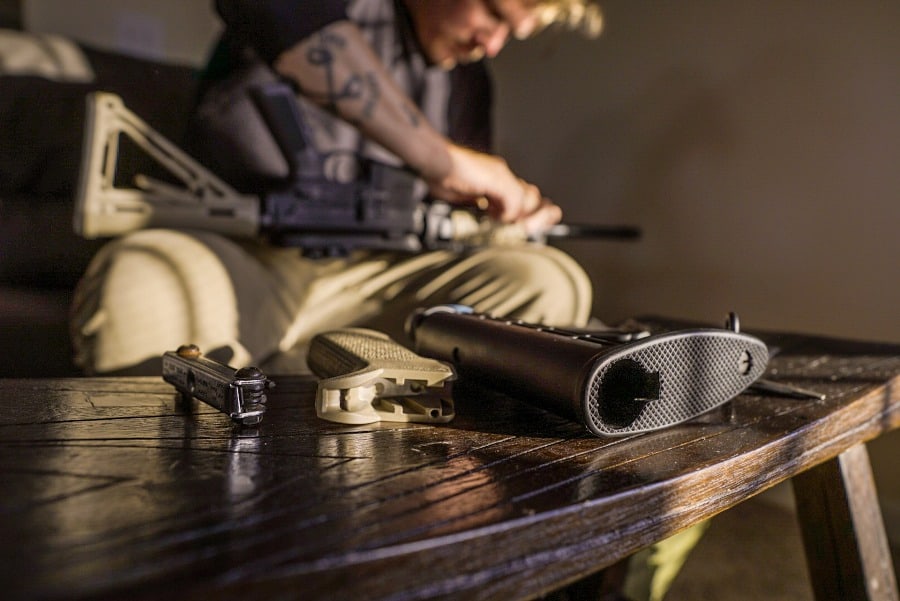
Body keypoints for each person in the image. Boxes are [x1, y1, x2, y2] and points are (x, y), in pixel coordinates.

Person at [71, 0, 600, 375]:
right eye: (491, 11)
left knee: (549, 282)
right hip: (242, 254)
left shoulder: (468, 81)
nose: (491, 43)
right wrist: (440, 158)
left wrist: (501, 226)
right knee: (140, 291)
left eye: (512, 32)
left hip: (370, 278)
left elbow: (447, 222)